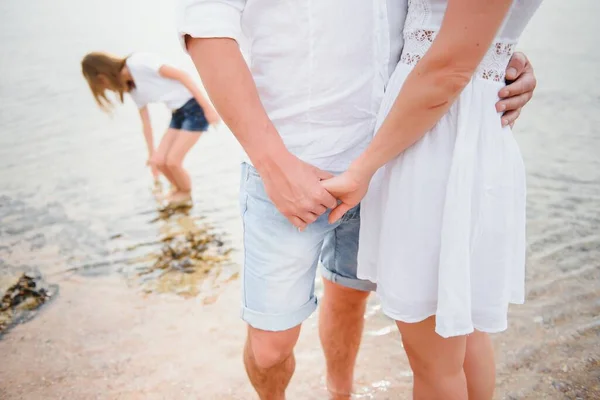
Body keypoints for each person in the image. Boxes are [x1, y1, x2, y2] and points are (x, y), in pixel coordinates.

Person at [178, 0, 538, 398]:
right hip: (288, 169)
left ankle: (340, 393)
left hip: (397, 168)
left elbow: (453, 34)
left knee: (354, 299)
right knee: (270, 347)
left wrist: (496, 57)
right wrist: (272, 163)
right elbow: (205, 27)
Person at [322, 0, 542, 398]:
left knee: (434, 361)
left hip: (436, 145)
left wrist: (363, 169)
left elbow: (448, 69)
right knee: (461, 334)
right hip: (450, 134)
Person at [81, 52, 220, 206]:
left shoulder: (138, 63)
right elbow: (146, 122)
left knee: (173, 161)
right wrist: (151, 153)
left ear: (102, 77)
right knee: (159, 161)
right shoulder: (132, 89)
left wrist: (208, 108)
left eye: (105, 86)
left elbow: (183, 76)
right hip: (177, 113)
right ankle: (178, 191)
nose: (111, 90)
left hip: (195, 108)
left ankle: (185, 194)